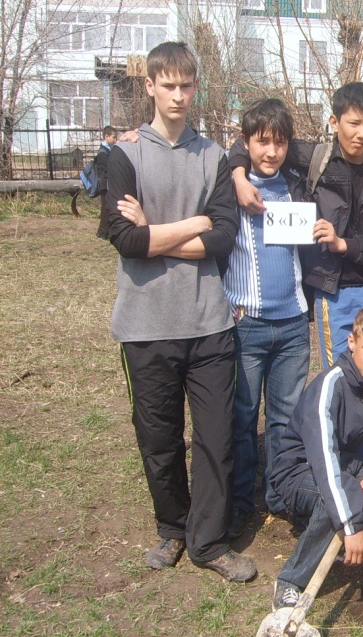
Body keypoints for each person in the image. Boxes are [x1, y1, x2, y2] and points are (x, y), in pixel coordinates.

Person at [106, 41, 255, 582]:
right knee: (159, 439)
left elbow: (222, 240)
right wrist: (191, 225)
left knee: (215, 436)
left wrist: (159, 233)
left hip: (209, 323)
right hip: (145, 325)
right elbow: (124, 237)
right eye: (166, 84)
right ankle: (172, 528)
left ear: (196, 88)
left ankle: (208, 541)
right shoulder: (123, 156)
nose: (176, 95)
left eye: (185, 85)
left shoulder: (214, 158)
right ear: (148, 86)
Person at [231, 83, 363, 368]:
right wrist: (238, 176)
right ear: (334, 122)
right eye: (353, 123)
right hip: (329, 292)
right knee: (338, 375)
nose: (361, 133)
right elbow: (249, 139)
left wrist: (343, 244)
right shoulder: (313, 158)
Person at [267, 305, 363, 610]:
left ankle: (331, 538)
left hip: (346, 466)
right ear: (352, 342)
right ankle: (290, 581)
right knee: (332, 500)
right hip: (301, 470)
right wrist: (352, 525)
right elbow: (324, 465)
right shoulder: (330, 386)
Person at [223, 99, 310, 536]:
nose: (270, 152)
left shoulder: (297, 184)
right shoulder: (229, 184)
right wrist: (237, 173)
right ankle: (241, 498)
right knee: (242, 416)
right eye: (261, 143)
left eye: (278, 143)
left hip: (294, 325)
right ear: (245, 143)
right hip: (247, 325)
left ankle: (279, 494)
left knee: (285, 416)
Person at [95, 125, 118, 239]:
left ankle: (106, 230)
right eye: (113, 137)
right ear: (106, 136)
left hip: (107, 184)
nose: (115, 140)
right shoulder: (103, 153)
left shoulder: (107, 150)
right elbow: (107, 169)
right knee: (105, 208)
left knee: (108, 207)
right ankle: (103, 232)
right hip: (104, 185)